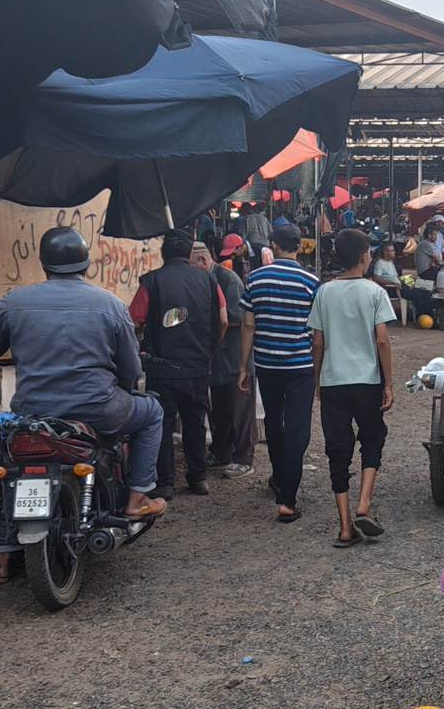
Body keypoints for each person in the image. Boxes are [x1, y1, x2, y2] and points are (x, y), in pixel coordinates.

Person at [0, 227, 167, 580]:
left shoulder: (15, 302)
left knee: (14, 465)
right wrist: (126, 386)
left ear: (43, 263)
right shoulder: (110, 304)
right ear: (86, 263)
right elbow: (130, 369)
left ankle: (4, 559)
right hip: (99, 409)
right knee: (152, 413)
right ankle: (136, 501)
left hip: (33, 411)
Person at [308, 229, 399, 547]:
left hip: (334, 382)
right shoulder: (375, 292)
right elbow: (383, 340)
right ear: (364, 256)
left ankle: (345, 527)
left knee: (338, 451)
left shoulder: (324, 292)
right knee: (373, 438)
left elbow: (317, 341)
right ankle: (364, 505)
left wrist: (318, 378)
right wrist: (388, 382)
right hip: (367, 380)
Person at [131, 232, 227, 497]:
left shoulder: (151, 281)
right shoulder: (209, 281)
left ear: (164, 253)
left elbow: (135, 320)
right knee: (195, 422)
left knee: (161, 424)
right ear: (187, 255)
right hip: (197, 365)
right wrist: (209, 348)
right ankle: (198, 478)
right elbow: (224, 320)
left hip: (161, 368)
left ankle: (165, 483)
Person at [241, 224, 321, 522]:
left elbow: (249, 325)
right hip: (300, 366)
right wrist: (319, 368)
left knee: (273, 421)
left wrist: (242, 366)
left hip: (267, 364)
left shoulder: (255, 279)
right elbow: (317, 332)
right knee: (298, 427)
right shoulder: (311, 281)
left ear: (273, 246)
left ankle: (278, 476)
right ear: (299, 247)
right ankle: (287, 498)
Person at [196, 240, 255, 479]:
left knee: (239, 409)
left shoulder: (228, 279)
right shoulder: (203, 279)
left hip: (234, 354)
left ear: (202, 260)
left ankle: (243, 457)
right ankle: (221, 451)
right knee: (219, 407)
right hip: (215, 357)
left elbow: (237, 317)